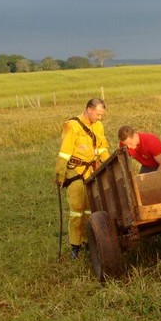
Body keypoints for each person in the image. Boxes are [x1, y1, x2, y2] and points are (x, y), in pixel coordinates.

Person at [54, 98, 111, 260]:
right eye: (98, 114)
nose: (100, 118)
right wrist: (60, 175)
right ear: (89, 110)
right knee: (77, 211)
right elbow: (64, 153)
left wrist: (109, 165)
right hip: (75, 173)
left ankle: (88, 242)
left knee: (90, 209)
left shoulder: (98, 126)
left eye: (102, 115)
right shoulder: (72, 126)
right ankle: (75, 246)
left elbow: (102, 149)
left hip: (92, 172)